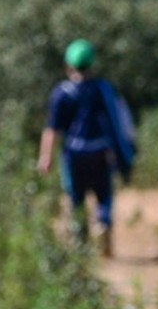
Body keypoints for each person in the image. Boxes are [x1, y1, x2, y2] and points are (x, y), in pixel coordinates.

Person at [36, 39, 137, 256]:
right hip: (101, 151)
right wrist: (124, 153)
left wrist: (46, 156)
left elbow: (52, 129)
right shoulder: (103, 89)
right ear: (92, 64)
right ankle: (103, 223)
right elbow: (118, 123)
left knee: (76, 197)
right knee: (104, 194)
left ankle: (80, 240)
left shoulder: (61, 93)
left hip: (74, 155)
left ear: (68, 65)